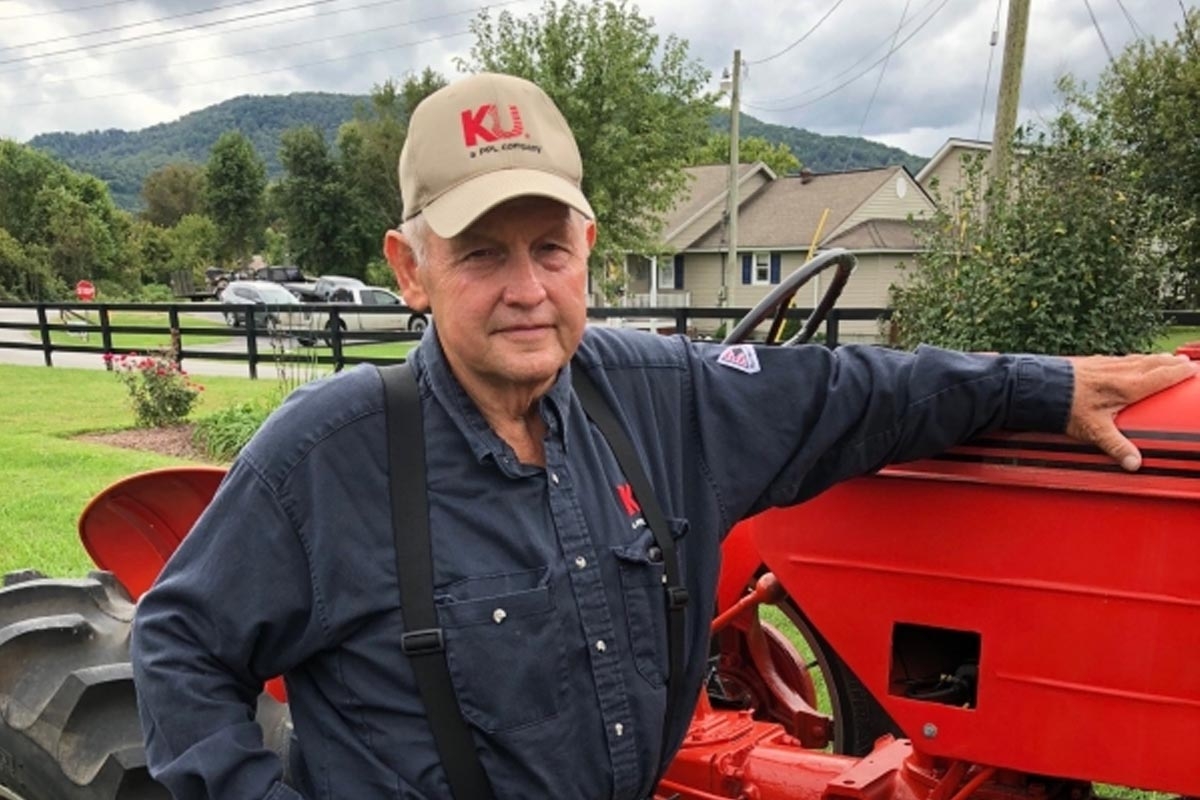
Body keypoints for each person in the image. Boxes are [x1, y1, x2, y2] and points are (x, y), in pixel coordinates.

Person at [131, 72, 1197, 800]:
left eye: (550, 247)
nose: (526, 289)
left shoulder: (659, 393)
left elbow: (852, 391)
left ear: (589, 245)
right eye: (481, 255)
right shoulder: (331, 453)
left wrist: (1044, 387)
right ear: (409, 270)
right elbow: (180, 643)